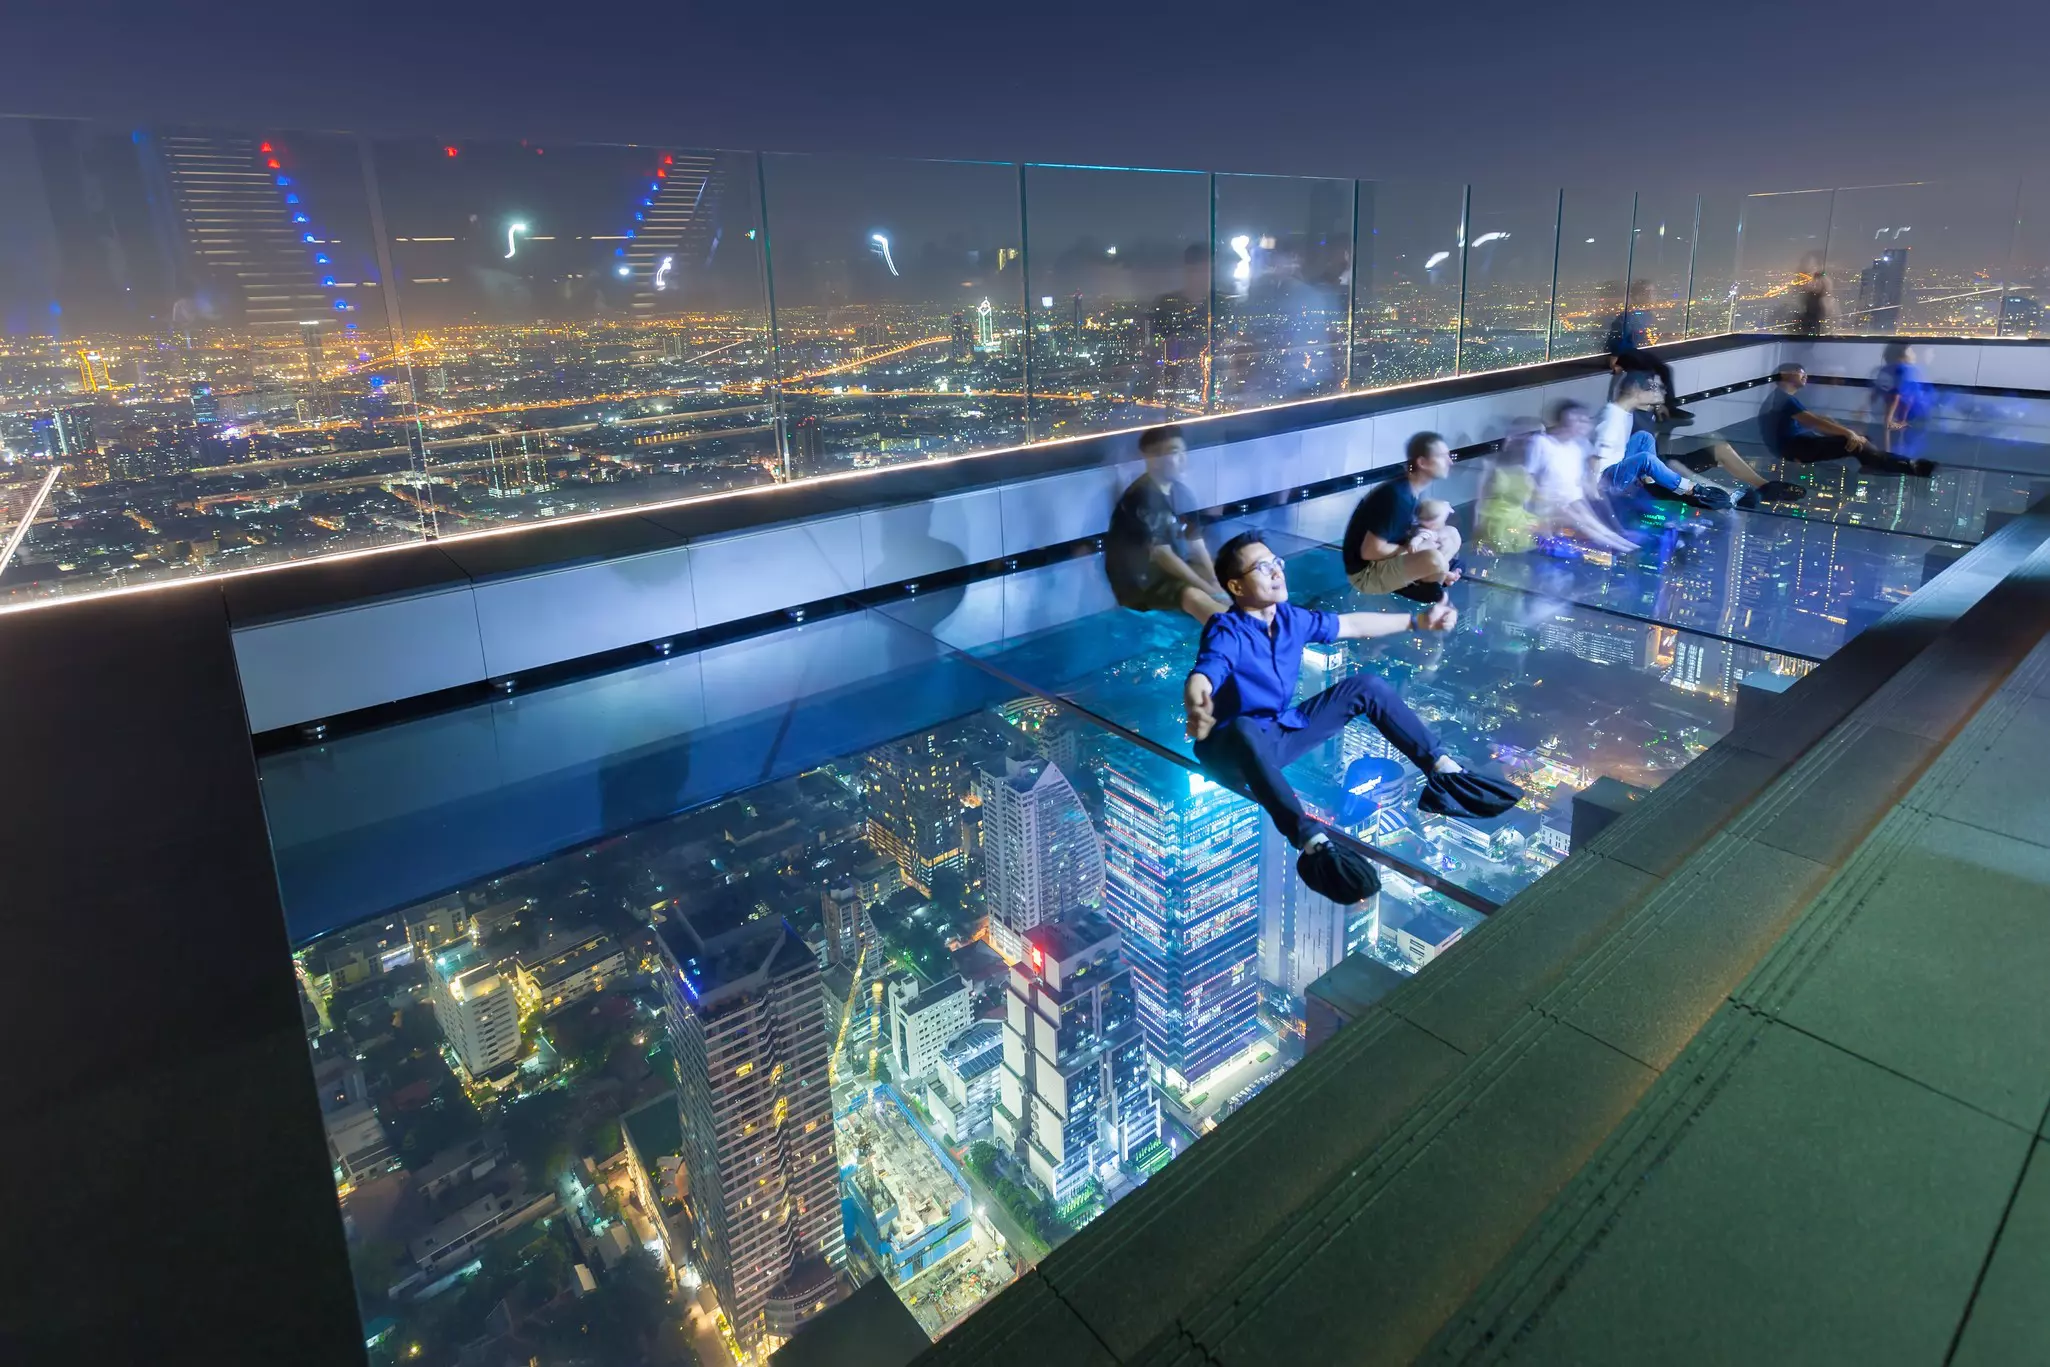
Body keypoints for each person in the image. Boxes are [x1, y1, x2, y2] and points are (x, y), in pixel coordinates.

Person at [1183, 533, 1518, 864]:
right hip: (1229, 752)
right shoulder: (1226, 628)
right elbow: (1210, 666)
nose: (1276, 572)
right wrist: (1198, 695)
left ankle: (1444, 773)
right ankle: (1312, 841)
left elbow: (1352, 624)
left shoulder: (1291, 619)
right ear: (1237, 587)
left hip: (1276, 736)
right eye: (1262, 567)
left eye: (1277, 563)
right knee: (1244, 728)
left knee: (1366, 686)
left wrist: (1418, 621)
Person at [1594, 374, 1807, 508]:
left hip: (1648, 467)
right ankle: (1713, 493)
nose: (1661, 391)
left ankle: (1766, 488)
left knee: (1648, 442)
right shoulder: (1614, 416)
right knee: (1656, 461)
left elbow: (1639, 443)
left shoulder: (1630, 413)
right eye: (1654, 388)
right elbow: (1596, 459)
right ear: (1636, 391)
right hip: (1632, 476)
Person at [1104, 425, 1230, 623]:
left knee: (1225, 578)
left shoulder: (1181, 492)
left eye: (1182, 451)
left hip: (1170, 569)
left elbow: (1195, 540)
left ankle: (1254, 622)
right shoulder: (1141, 497)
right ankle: (1241, 635)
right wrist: (1209, 590)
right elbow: (1162, 555)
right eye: (1173, 452)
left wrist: (1215, 581)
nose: (1182, 458)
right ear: (1152, 459)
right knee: (1193, 595)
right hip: (1141, 581)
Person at [1343, 432, 1465, 602]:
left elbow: (1405, 529)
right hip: (1366, 573)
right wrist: (1417, 549)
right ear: (1422, 462)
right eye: (1442, 456)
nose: (1450, 461)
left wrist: (1431, 527)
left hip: (1390, 555)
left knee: (1452, 534)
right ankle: (1429, 583)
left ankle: (1435, 575)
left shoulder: (1411, 489)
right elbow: (1369, 551)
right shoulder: (1397, 497)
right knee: (1434, 559)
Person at [1761, 363, 1935, 477]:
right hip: (1796, 448)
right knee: (1858, 444)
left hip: (1797, 445)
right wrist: (1848, 432)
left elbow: (1815, 419)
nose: (1805, 376)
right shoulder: (1784, 400)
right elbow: (1813, 421)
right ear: (1784, 375)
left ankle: (1879, 462)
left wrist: (1843, 430)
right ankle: (1909, 466)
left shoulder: (1783, 399)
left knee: (1862, 442)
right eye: (1800, 373)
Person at [1526, 400, 1639, 553]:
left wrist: (1591, 489)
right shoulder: (1541, 443)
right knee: (1582, 519)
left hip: (1569, 501)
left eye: (1583, 420)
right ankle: (1622, 548)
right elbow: (1529, 477)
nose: (1582, 424)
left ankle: (1622, 543)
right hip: (1547, 504)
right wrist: (1545, 501)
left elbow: (1579, 484)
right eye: (1577, 420)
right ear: (1563, 421)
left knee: (1589, 517)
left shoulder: (1576, 446)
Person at [1605, 280, 1693, 423]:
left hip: (1631, 352)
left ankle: (1665, 407)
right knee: (1659, 370)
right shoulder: (1630, 316)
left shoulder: (1643, 314)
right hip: (1626, 354)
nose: (1653, 295)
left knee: (1663, 370)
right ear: (1639, 296)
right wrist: (1616, 358)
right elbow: (1617, 337)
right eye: (1649, 293)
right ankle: (1664, 408)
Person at [1871, 342, 1935, 457]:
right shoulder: (1906, 369)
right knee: (1901, 450)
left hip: (1892, 420)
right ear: (1901, 354)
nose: (1914, 354)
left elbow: (1877, 394)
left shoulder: (1885, 370)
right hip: (1908, 422)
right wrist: (1892, 421)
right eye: (1911, 351)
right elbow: (1898, 395)